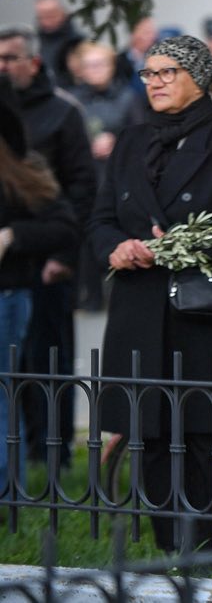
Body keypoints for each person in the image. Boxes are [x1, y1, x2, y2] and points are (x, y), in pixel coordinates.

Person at [88, 34, 212, 553]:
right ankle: (170, 548)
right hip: (140, 310)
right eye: (148, 74)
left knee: (203, 434)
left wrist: (183, 247)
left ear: (199, 76)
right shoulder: (130, 141)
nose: (155, 83)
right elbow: (100, 219)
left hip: (202, 316)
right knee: (150, 430)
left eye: (167, 72)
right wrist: (117, 247)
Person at [0, 24, 95, 472]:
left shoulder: (62, 112)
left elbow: (79, 191)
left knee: (47, 358)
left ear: (33, 62)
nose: (3, 66)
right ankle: (22, 448)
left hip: (47, 260)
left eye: (9, 58)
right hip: (13, 265)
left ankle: (51, 451)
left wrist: (63, 255)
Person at [0, 97, 77, 496]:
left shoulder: (19, 170)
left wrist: (13, 237)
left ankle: (4, 492)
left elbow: (64, 225)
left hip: (7, 296)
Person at [70, 41, 144, 310]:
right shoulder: (74, 100)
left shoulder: (128, 97)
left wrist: (116, 142)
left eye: (100, 64)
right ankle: (89, 294)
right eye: (89, 65)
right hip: (85, 177)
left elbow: (140, 136)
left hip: (116, 177)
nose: (96, 70)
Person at [33, 0, 86, 90]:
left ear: (63, 13)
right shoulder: (33, 42)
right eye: (42, 16)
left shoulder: (77, 42)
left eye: (51, 14)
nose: (47, 21)